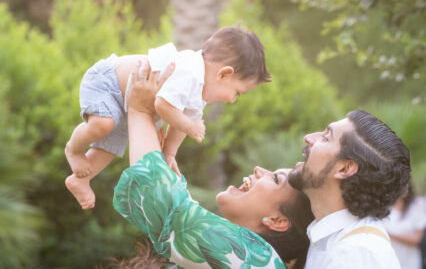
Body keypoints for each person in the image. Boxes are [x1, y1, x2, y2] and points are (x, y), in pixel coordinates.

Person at [113, 61, 314, 268]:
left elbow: (167, 209)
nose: (258, 169)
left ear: (277, 220)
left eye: (275, 179)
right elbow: (179, 210)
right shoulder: (254, 257)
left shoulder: (255, 257)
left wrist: (140, 109)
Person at [65, 26, 271, 210]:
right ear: (224, 74)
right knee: (102, 125)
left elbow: (178, 123)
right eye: (237, 92)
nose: (233, 100)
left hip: (129, 102)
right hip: (108, 82)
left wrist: (169, 154)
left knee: (108, 149)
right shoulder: (190, 71)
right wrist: (191, 126)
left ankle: (81, 180)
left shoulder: (199, 93)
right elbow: (163, 105)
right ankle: (73, 150)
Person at [287, 109, 411, 268]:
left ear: (344, 169)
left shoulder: (354, 254)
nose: (309, 138)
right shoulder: (334, 242)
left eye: (326, 138)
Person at [384, 182, 426, 269]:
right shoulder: (384, 206)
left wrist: (389, 233)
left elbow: (416, 239)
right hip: (388, 261)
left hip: (410, 262)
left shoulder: (418, 204)